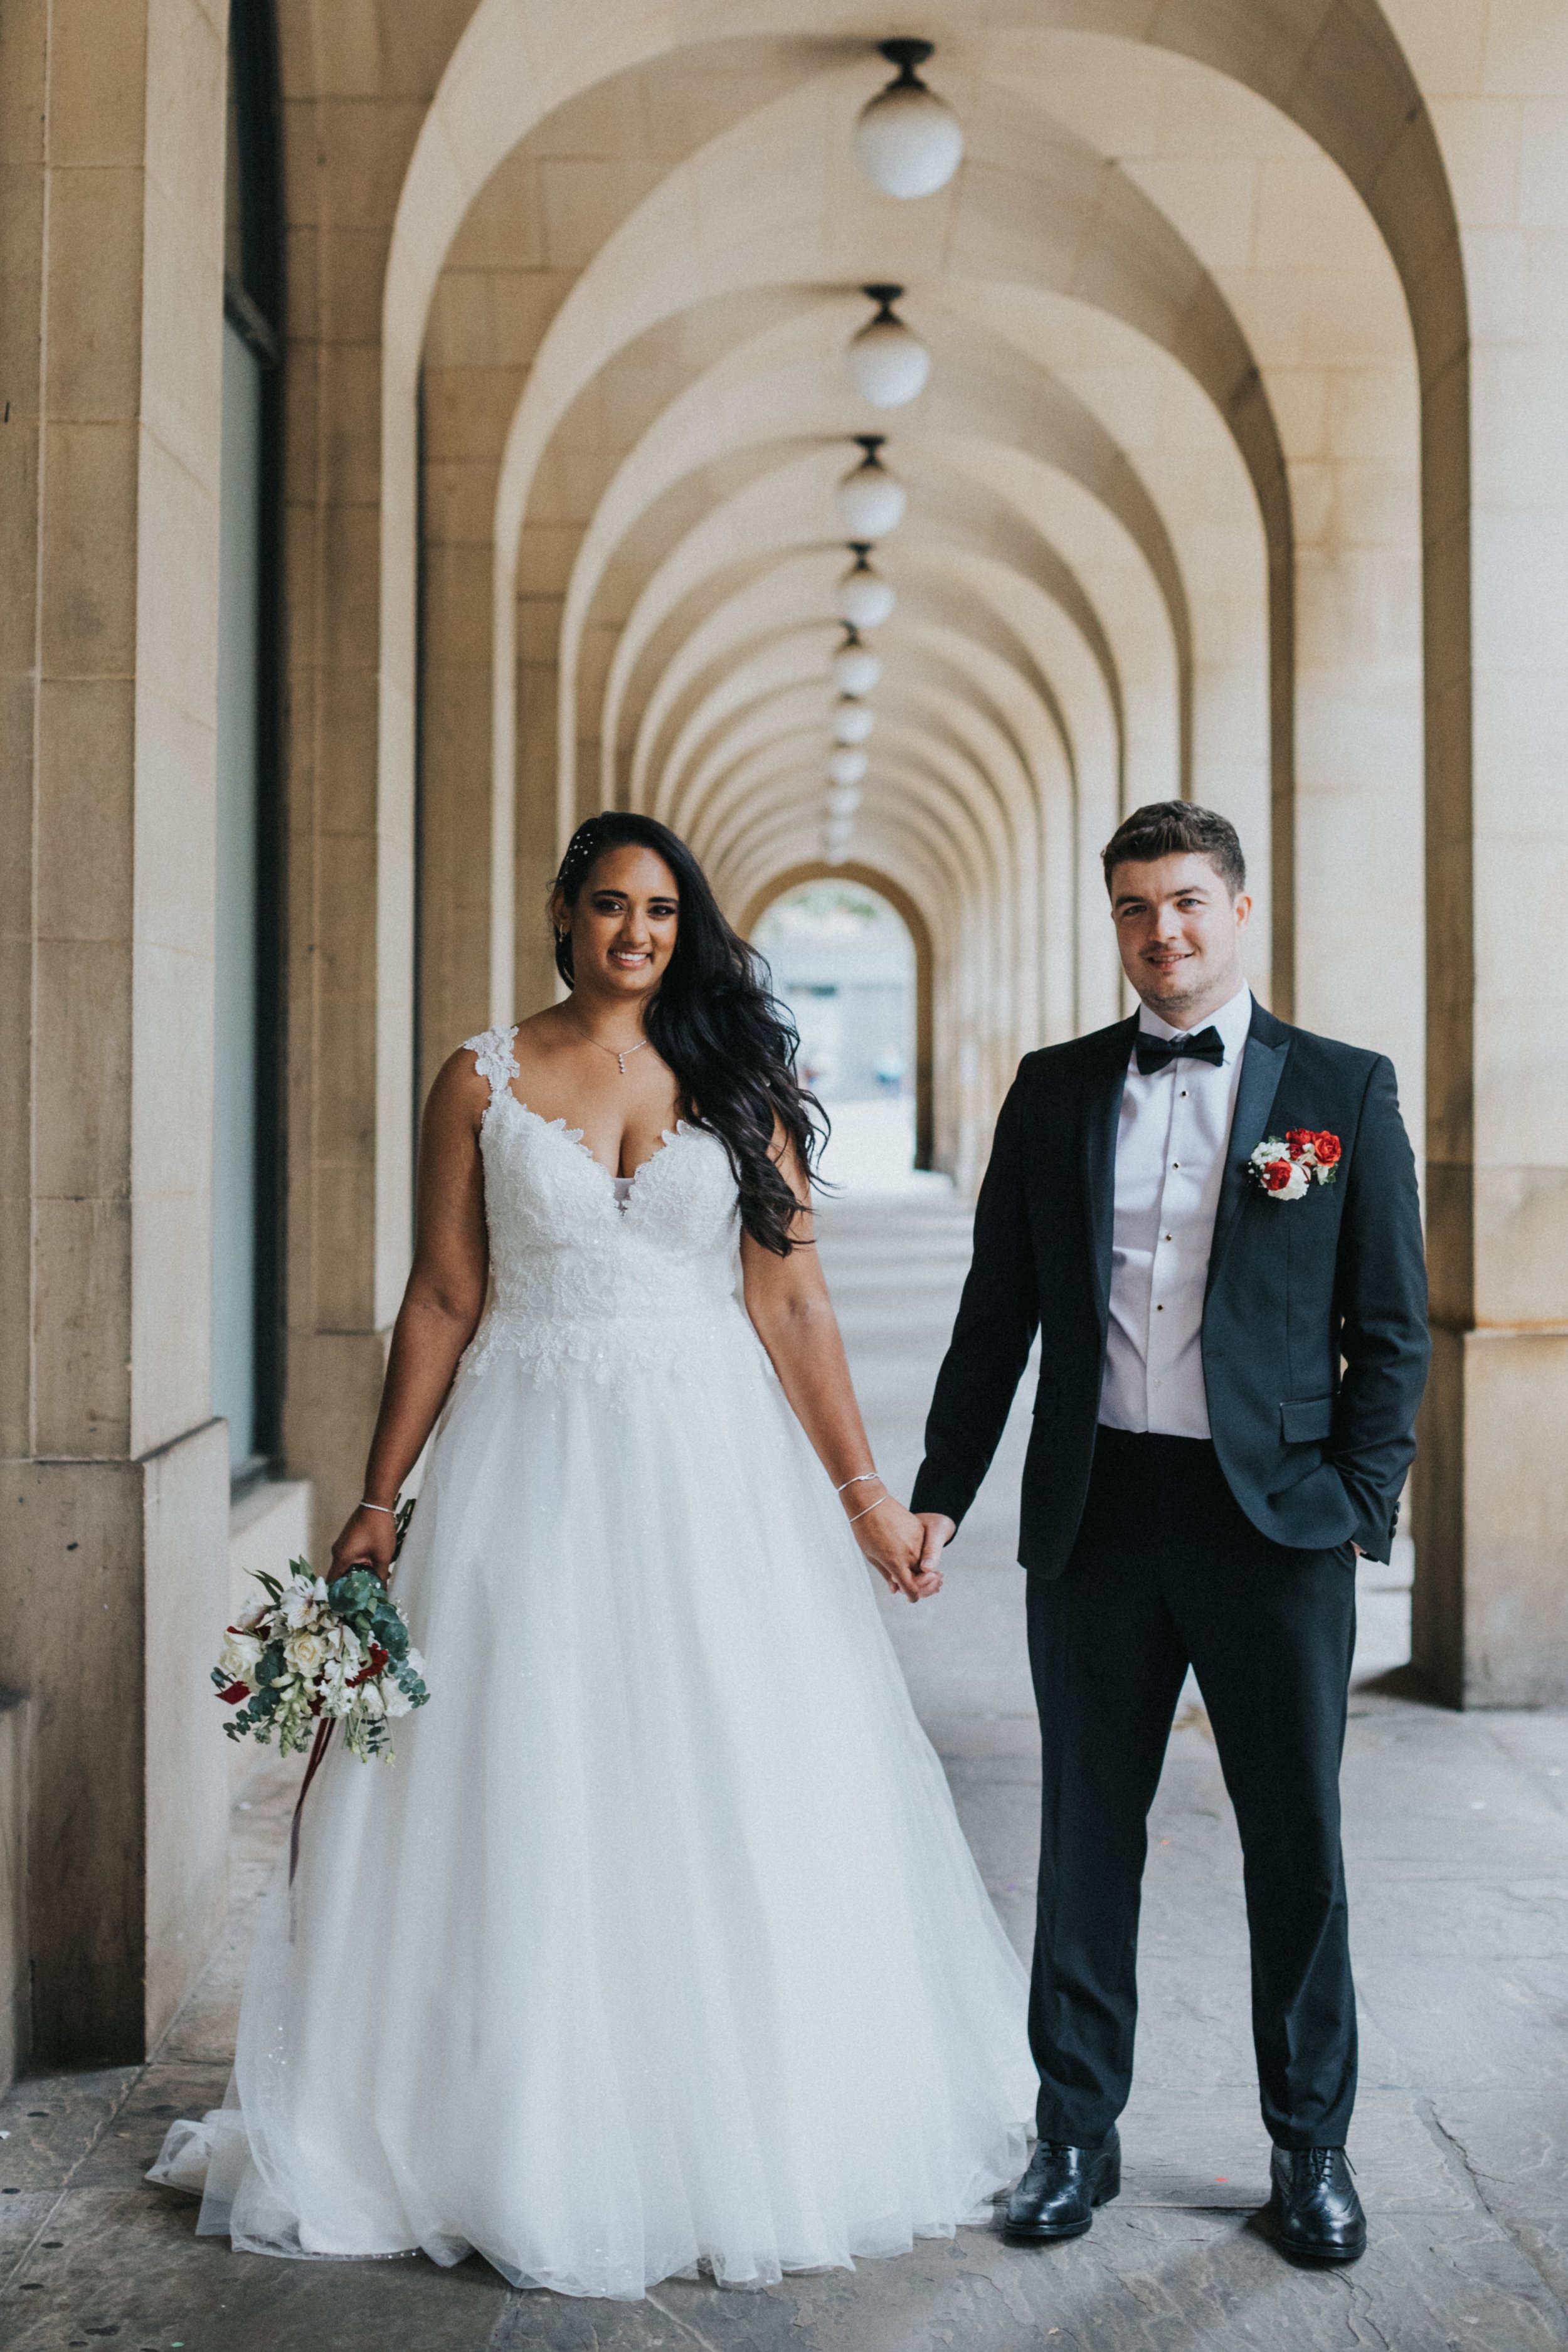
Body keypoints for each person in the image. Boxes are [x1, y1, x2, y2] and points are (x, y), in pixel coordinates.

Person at [152, 811, 1032, 2299]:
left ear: (686, 929)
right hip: (523, 1466)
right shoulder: (479, 1077)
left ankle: (724, 2121)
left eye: (664, 912)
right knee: (524, 1775)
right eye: (612, 906)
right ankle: (502, 2127)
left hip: (706, 1474)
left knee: (717, 1771)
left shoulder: (738, 1079)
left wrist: (865, 1498)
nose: (637, 933)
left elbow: (793, 1308)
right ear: (561, 912)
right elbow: (441, 1295)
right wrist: (377, 1494)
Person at [909, 802, 1429, 2266]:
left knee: (1296, 1848)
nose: (1164, 933)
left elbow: (1389, 1331)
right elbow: (994, 1313)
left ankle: (1309, 2147)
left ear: (1240, 909)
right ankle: (1073, 2135)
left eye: (1188, 902)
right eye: (1135, 907)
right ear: (1116, 922)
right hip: (1096, 1514)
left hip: (1273, 1527)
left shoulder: (1339, 1088)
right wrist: (943, 1485)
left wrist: (1353, 1507)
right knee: (1082, 1836)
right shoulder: (1055, 1089)